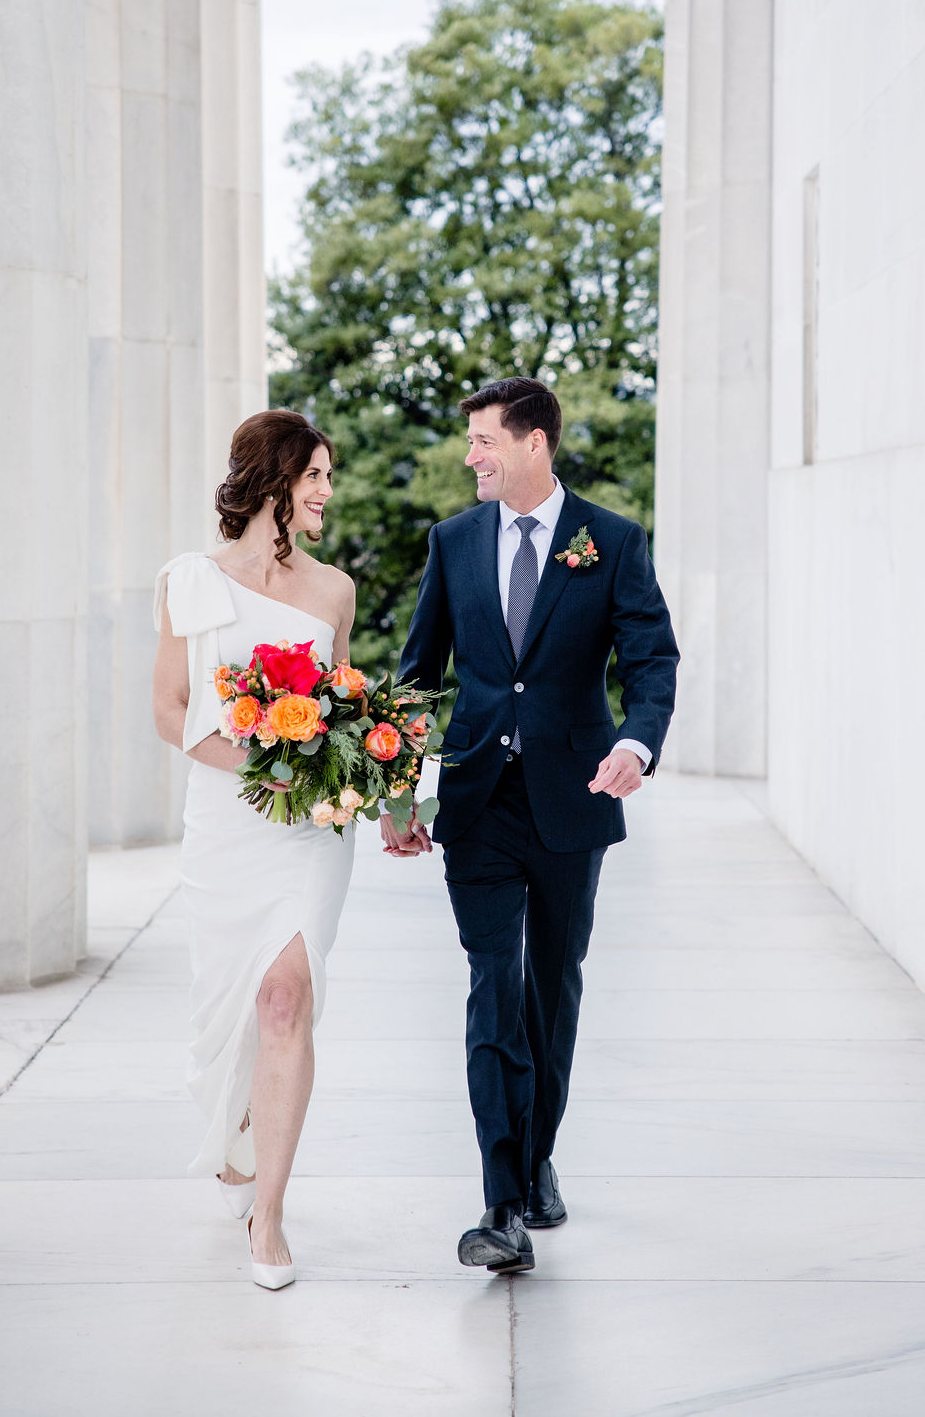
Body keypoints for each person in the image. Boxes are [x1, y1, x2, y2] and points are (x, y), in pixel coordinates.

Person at [382, 378, 678, 1273]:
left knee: (552, 988)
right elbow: (416, 672)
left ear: (533, 444)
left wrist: (637, 743)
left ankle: (539, 1151)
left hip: (572, 795)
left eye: (483, 440)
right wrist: (401, 792)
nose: (470, 456)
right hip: (475, 800)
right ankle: (501, 1200)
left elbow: (652, 656)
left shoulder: (613, 541)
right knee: (492, 988)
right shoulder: (452, 541)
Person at [152, 409, 356, 1290]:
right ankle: (237, 1137)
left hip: (309, 831)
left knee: (285, 997)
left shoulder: (335, 591)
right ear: (274, 479)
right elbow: (170, 710)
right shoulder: (190, 580)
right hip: (230, 823)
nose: (325, 492)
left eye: (327, 477)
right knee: (231, 1007)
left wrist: (344, 778)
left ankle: (268, 1216)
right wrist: (260, 770)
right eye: (314, 475)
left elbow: (341, 710)